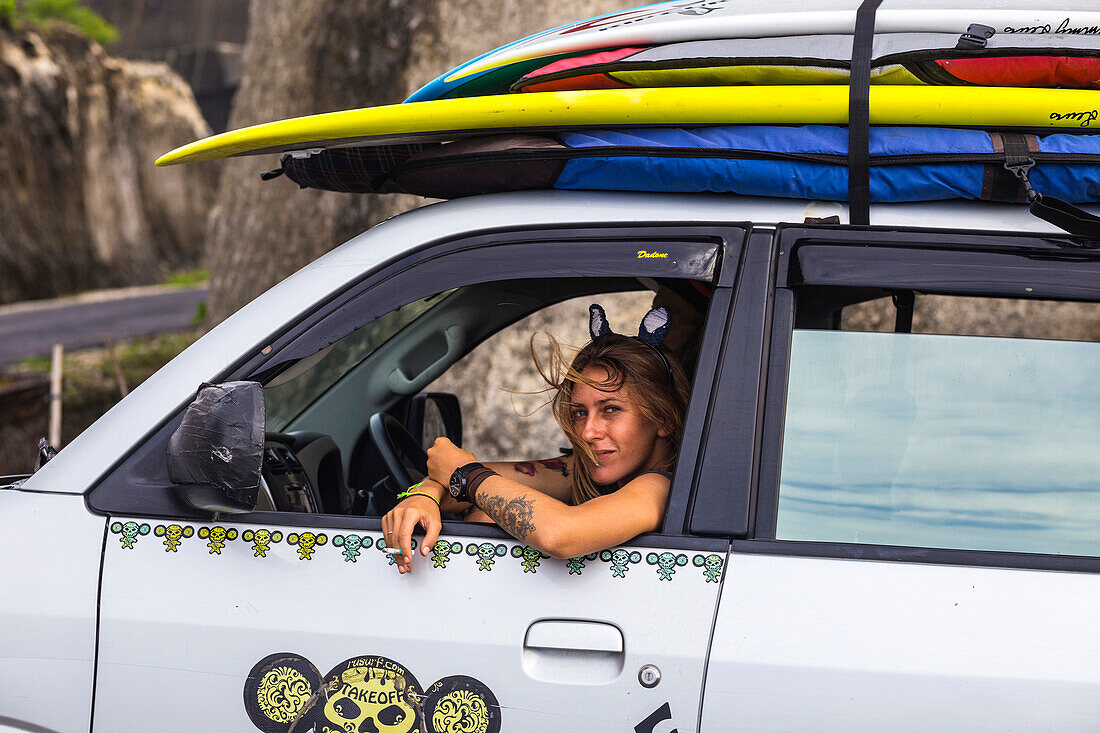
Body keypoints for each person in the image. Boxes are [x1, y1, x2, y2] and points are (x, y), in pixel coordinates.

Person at [381, 304, 690, 573]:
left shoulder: (660, 488)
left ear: (661, 418)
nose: (587, 432)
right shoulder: (582, 472)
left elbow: (560, 534)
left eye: (610, 409)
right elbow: (462, 479)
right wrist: (423, 495)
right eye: (580, 412)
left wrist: (465, 474)